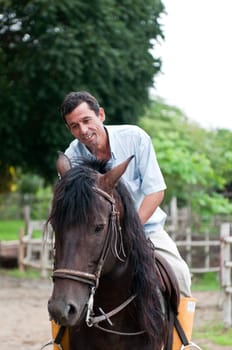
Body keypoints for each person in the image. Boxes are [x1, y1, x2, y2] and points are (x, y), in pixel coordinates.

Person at [60, 90, 192, 298]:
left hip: (144, 228)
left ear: (101, 115)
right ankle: (61, 331)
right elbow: (70, 209)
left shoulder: (135, 138)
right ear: (69, 129)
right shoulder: (71, 157)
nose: (83, 130)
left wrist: (132, 228)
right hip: (94, 236)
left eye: (87, 120)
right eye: (75, 126)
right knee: (64, 285)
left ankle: (181, 331)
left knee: (181, 275)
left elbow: (155, 191)